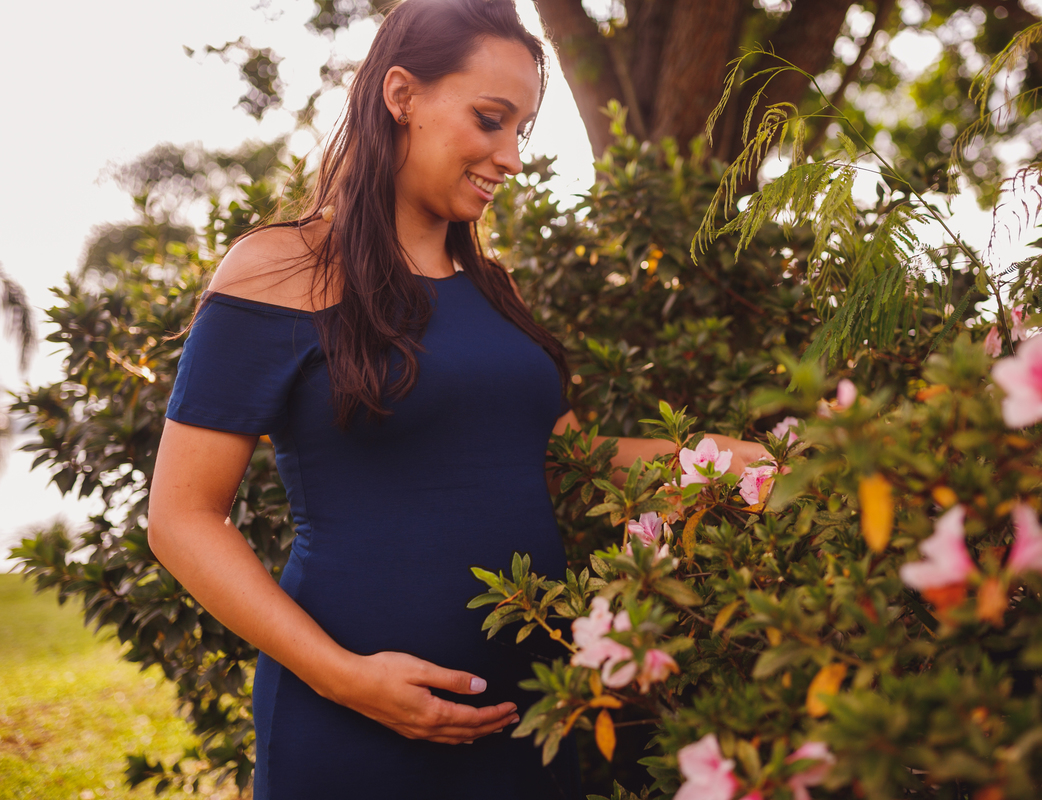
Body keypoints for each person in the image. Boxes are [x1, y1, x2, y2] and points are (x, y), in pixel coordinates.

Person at [147, 0, 770, 797]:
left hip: (526, 716)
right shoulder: (274, 271)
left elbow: (565, 466)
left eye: (523, 131)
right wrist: (343, 678)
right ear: (400, 95)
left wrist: (721, 464)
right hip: (349, 723)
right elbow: (181, 518)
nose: (510, 156)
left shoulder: (496, 289)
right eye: (489, 119)